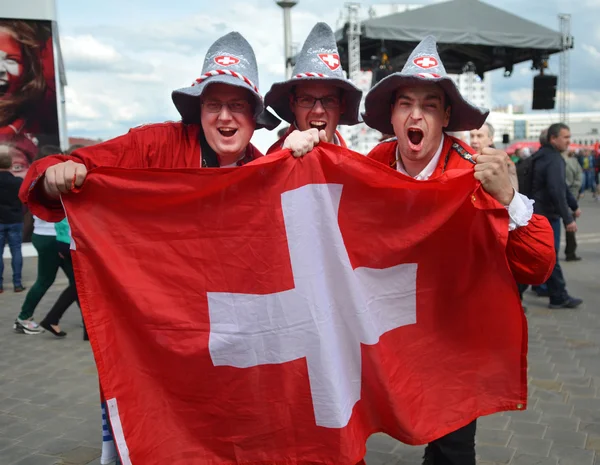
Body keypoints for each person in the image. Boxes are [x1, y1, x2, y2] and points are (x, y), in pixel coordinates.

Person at [287, 35, 555, 465]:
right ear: (392, 116)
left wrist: (511, 201)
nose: (416, 115)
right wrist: (298, 151)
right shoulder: (373, 163)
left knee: (451, 449)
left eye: (429, 105)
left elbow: (539, 266)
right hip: (387, 333)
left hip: (452, 340)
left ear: (446, 116)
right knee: (348, 424)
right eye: (405, 103)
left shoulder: (475, 175)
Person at [264, 22, 362, 154]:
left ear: (342, 106)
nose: (318, 110)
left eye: (329, 100)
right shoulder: (271, 166)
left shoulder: (357, 168)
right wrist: (283, 159)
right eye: (307, 100)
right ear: (292, 104)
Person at [531, 122, 583, 309]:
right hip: (546, 215)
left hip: (536, 212)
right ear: (554, 139)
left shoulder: (540, 156)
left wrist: (574, 205)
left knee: (541, 255)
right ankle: (558, 296)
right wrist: (568, 218)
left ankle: (542, 286)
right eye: (566, 137)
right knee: (549, 256)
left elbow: (561, 188)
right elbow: (556, 190)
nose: (569, 141)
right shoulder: (554, 159)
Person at [0, 149, 25, 293]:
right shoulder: (17, 182)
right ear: (10, 164)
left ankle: (0, 286)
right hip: (15, 220)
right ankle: (17, 284)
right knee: (16, 251)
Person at [563, 150, 583, 261]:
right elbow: (579, 179)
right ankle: (570, 252)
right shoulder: (574, 163)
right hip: (571, 197)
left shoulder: (558, 161)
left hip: (560, 197)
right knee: (570, 225)